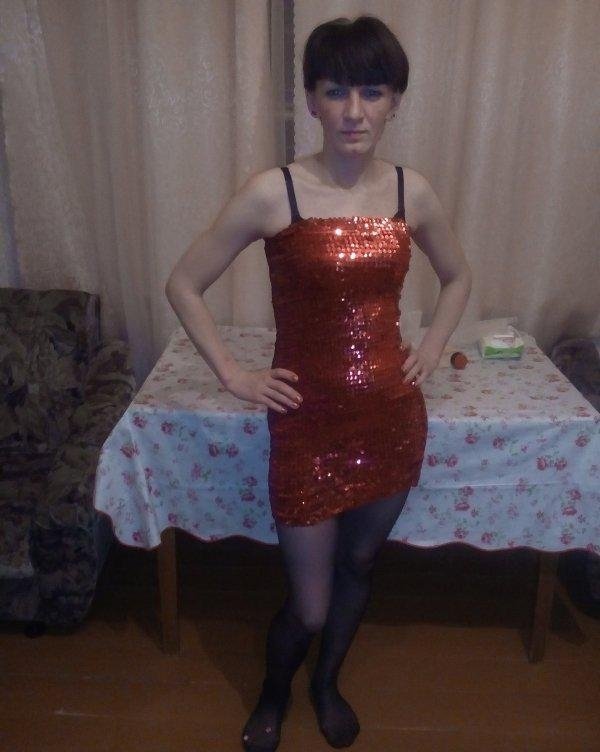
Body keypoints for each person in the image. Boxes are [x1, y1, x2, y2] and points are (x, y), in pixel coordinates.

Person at [165, 14, 472, 752]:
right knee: (307, 605)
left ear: (395, 100)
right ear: (311, 100)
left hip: (391, 415)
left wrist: (432, 344)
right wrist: (234, 374)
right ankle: (274, 692)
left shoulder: (413, 192)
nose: (354, 111)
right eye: (336, 91)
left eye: (372, 91)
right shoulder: (273, 193)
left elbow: (458, 277)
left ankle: (326, 684)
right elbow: (183, 282)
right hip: (306, 422)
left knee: (360, 563)